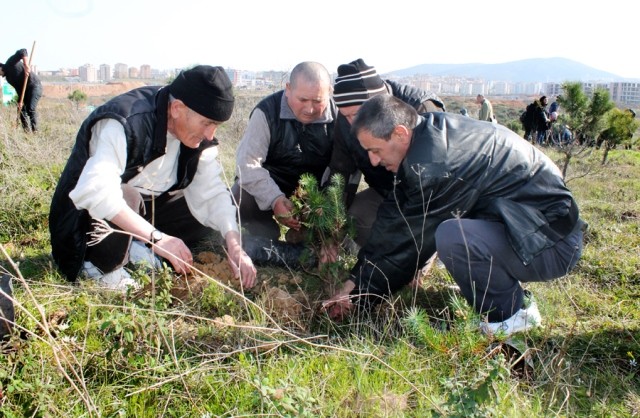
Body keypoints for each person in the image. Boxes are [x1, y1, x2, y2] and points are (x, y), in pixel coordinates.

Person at [323, 95, 585, 337]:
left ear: (400, 133)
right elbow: (396, 215)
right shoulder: (430, 133)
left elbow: (407, 242)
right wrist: (356, 281)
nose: (372, 161)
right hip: (535, 229)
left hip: (551, 243)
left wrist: (360, 295)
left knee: (454, 237)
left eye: (376, 150)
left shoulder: (435, 164)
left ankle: (509, 318)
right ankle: (502, 295)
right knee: (456, 235)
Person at [49, 65, 257, 291]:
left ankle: (136, 246)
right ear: (177, 108)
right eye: (206, 123)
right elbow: (95, 191)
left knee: (206, 216)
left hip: (149, 208)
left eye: (216, 125)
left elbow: (212, 194)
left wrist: (235, 244)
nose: (210, 135)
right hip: (81, 226)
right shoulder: (124, 121)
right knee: (126, 195)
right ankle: (100, 269)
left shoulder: (198, 138)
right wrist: (159, 239)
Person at [328, 58, 445, 247]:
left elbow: (441, 180)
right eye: (345, 115)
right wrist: (331, 230)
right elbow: (340, 173)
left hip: (429, 198)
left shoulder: (421, 109)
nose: (351, 122)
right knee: (359, 216)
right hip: (386, 192)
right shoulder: (346, 122)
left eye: (356, 114)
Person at [231, 61, 336, 264]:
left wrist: (320, 206)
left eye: (317, 101)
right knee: (239, 195)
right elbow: (246, 164)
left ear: (329, 92)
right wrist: (275, 199)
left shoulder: (339, 117)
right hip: (272, 184)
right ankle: (264, 234)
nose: (310, 109)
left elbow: (343, 170)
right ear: (288, 89)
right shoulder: (266, 112)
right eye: (303, 99)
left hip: (314, 193)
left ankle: (312, 236)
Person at [0, 48, 43, 132]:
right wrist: (20, 101)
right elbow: (19, 89)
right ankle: (27, 133)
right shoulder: (8, 78)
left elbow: (23, 51)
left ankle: (35, 132)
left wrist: (26, 65)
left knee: (30, 108)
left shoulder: (10, 63)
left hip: (34, 86)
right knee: (22, 111)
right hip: (25, 91)